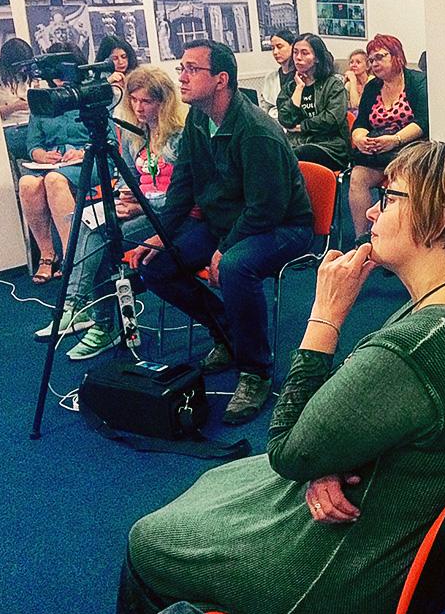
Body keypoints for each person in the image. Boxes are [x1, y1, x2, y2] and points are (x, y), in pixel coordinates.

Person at [115, 140, 445, 614]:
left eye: (388, 198)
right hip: (399, 528)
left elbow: (287, 450)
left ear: (437, 221)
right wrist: (326, 460)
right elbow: (394, 411)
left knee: (148, 539)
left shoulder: (416, 348)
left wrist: (325, 315)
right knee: (218, 484)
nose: (371, 211)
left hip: (343, 575)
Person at [129, 40, 313, 425]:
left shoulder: (256, 131)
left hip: (284, 226)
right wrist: (161, 234)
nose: (181, 77)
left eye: (192, 69)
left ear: (221, 80)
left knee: (234, 266)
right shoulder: (198, 121)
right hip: (228, 222)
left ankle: (256, 372)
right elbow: (183, 187)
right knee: (156, 265)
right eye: (181, 68)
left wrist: (224, 248)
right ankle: (228, 333)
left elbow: (266, 209)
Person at [33, 66, 186, 359]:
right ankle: (88, 315)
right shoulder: (134, 135)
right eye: (134, 100)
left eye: (146, 101)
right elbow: (129, 176)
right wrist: (125, 198)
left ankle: (84, 312)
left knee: (102, 238)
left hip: (168, 215)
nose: (138, 108)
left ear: (163, 101)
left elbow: (184, 197)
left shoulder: (180, 137)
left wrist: (142, 204)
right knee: (88, 224)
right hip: (139, 207)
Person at [18, 42, 92, 285]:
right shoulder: (42, 100)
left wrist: (82, 152)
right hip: (53, 164)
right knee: (27, 184)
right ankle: (48, 255)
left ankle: (74, 258)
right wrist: (41, 155)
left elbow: (110, 138)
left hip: (88, 162)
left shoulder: (89, 94)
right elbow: (33, 144)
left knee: (54, 180)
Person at [349, 34, 429, 241]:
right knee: (357, 176)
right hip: (379, 153)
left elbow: (424, 121)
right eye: (371, 60)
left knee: (402, 180)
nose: (374, 64)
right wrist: (360, 139)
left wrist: (395, 140)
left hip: (409, 151)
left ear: (396, 56)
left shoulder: (417, 81)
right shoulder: (372, 87)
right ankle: (363, 239)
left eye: (379, 57)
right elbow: (360, 123)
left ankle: (401, 240)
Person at [275, 33, 350, 172]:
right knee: (271, 153)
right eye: (295, 52)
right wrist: (299, 88)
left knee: (293, 157)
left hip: (330, 146)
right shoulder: (291, 86)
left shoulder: (333, 85)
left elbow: (332, 119)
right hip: (297, 142)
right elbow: (285, 119)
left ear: (317, 58)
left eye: (305, 53)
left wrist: (302, 127)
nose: (298, 58)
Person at [0, 37, 38, 128]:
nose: (23, 69)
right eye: (20, 65)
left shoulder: (27, 75)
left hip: (31, 123)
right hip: (8, 125)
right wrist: (14, 107)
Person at [258, 29, 295, 120]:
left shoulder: (301, 76)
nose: (275, 52)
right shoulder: (270, 77)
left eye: (279, 46)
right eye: (272, 48)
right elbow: (265, 107)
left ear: (292, 46)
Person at [343, 47, 370, 113]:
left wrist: (353, 80)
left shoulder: (372, 81)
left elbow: (356, 106)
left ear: (367, 66)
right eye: (351, 62)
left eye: (358, 62)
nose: (353, 65)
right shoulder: (348, 84)